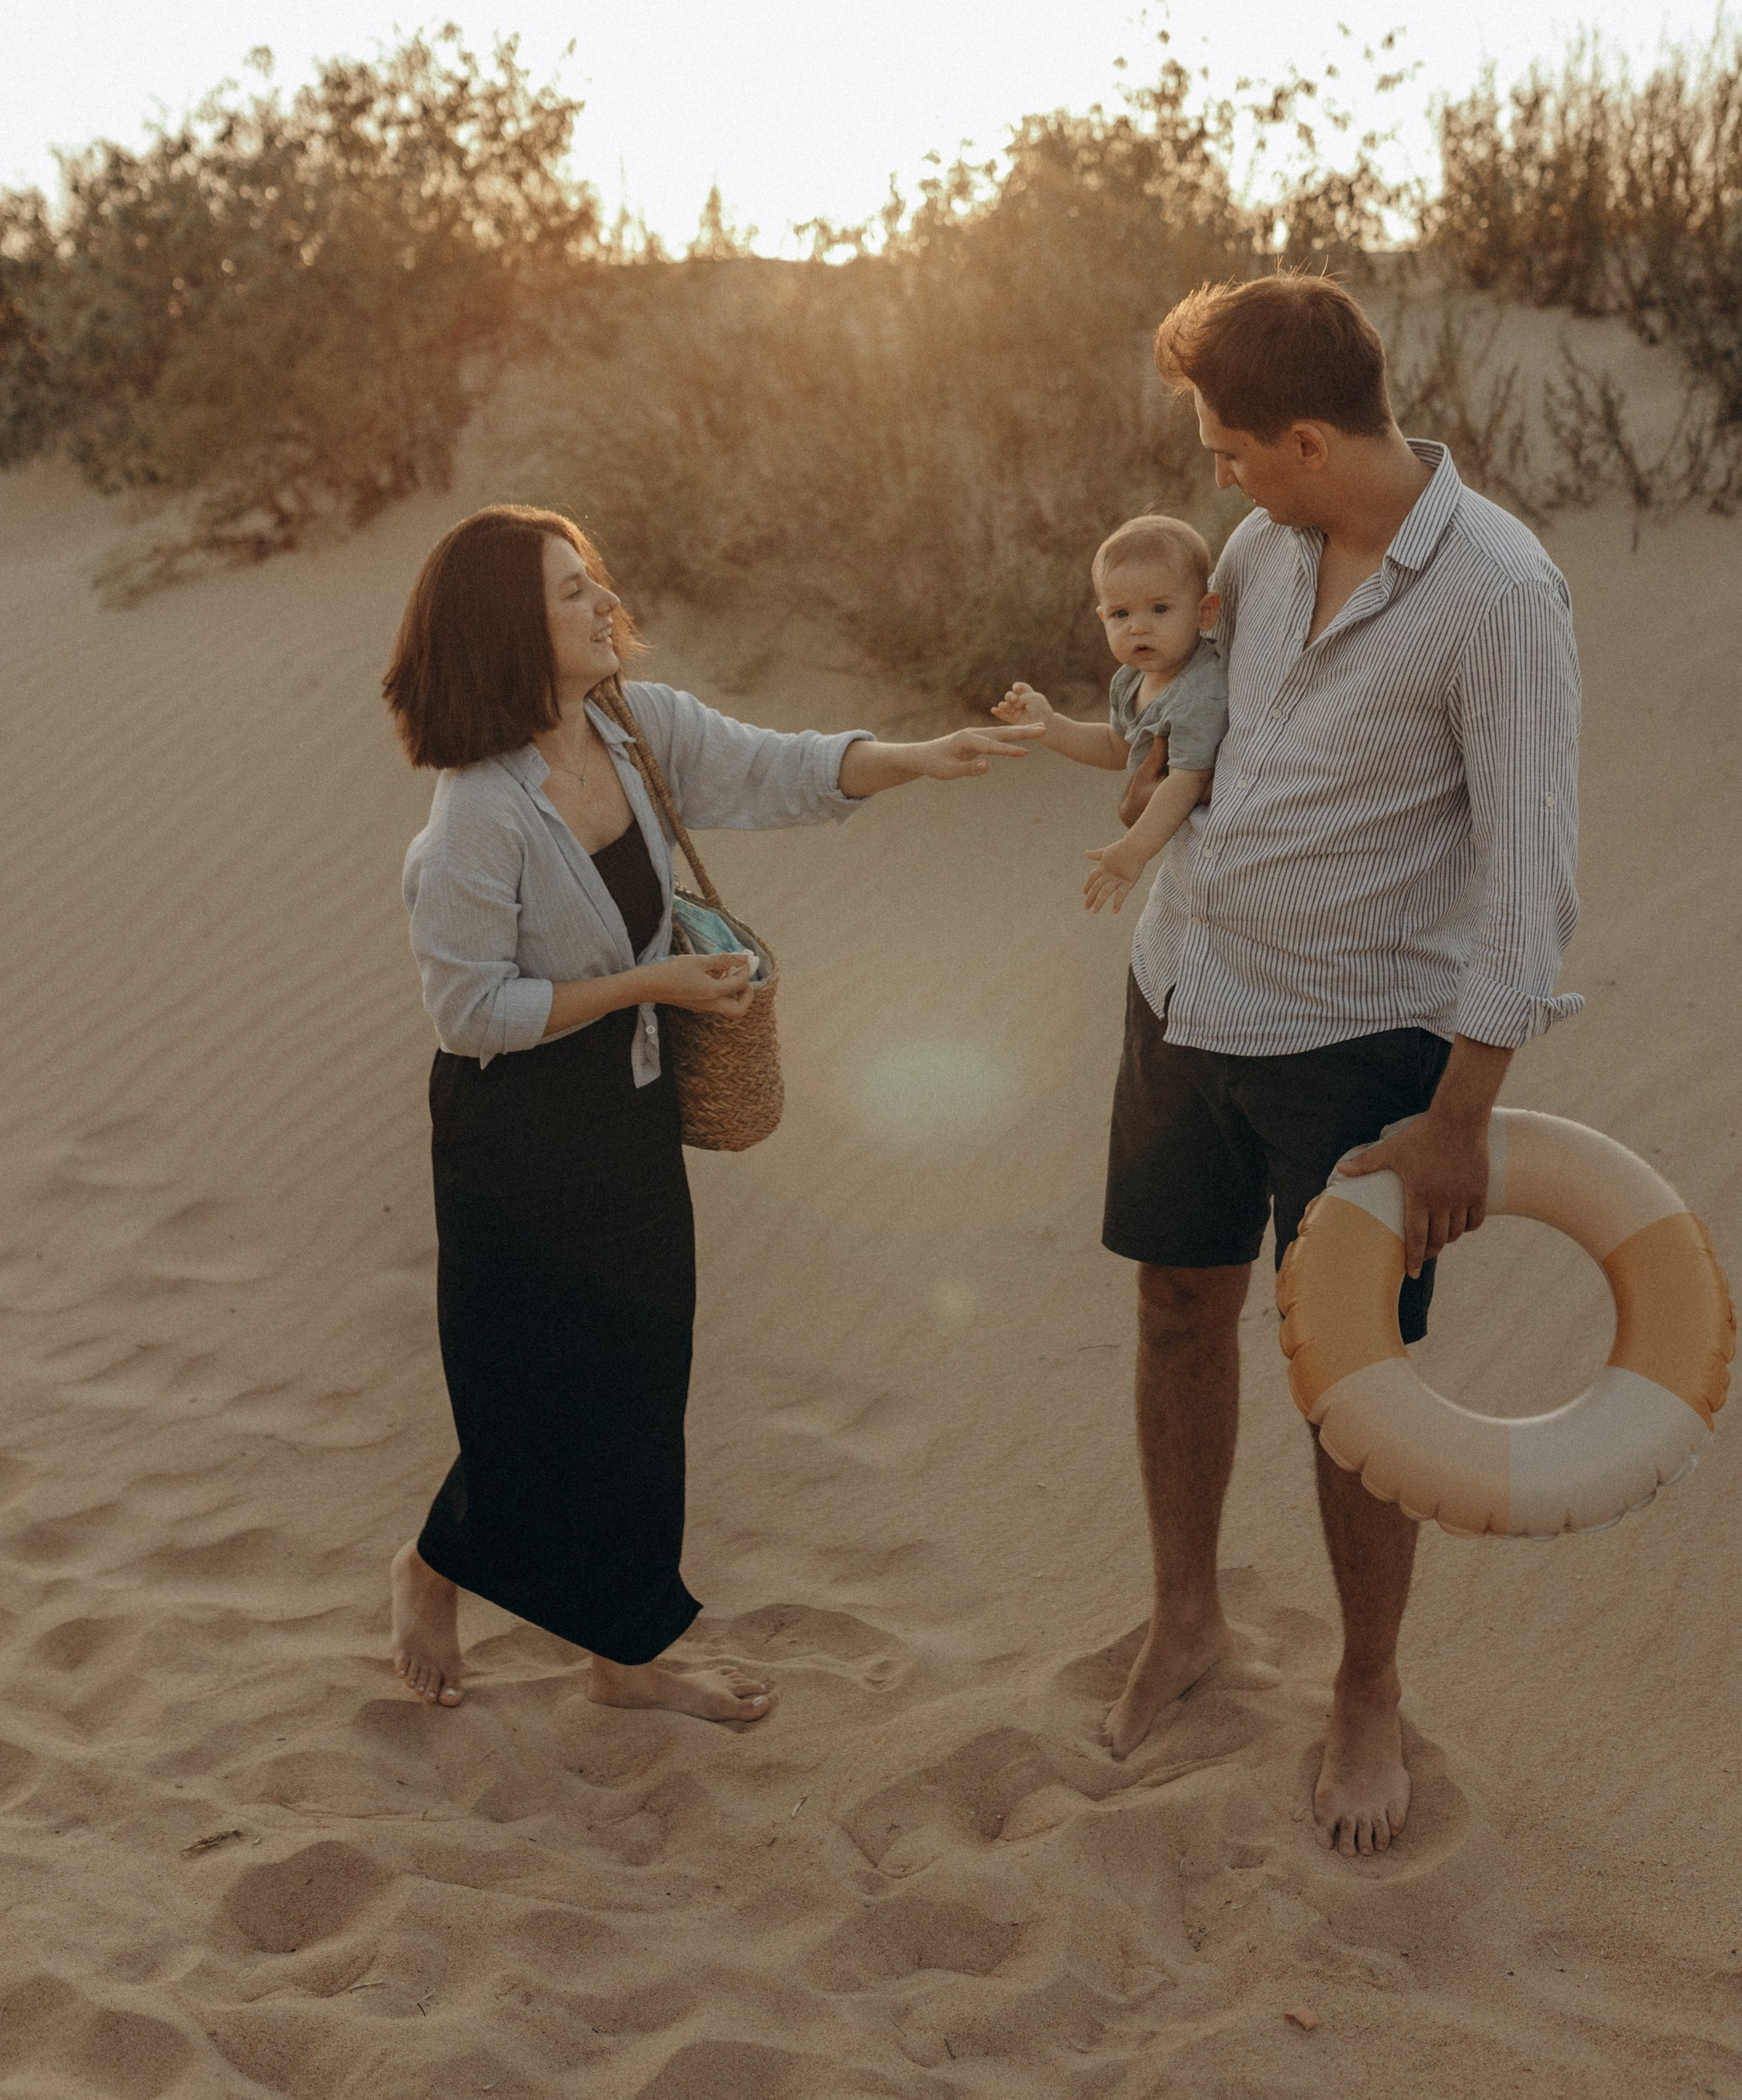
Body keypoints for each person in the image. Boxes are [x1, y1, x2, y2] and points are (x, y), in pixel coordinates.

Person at [381, 502, 1036, 1723]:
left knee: (637, 1378)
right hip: (511, 1132)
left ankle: (626, 1657)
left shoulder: (632, 724)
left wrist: (911, 758)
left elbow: (771, 765)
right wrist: (651, 984)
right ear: (509, 634)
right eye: (569, 594)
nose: (600, 604)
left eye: (591, 581)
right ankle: (433, 1569)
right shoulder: (480, 810)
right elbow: (469, 1012)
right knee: (531, 1396)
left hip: (624, 1105)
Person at [1095, 275, 1580, 1855]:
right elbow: (1211, 732)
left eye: (1231, 446)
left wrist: (1459, 1118)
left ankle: (1366, 1690)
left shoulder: (1501, 597)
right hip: (1180, 993)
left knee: (1349, 1386)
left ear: (1307, 436)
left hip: (1352, 1046)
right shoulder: (1260, 543)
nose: (1215, 472)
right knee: (1176, 1306)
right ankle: (1187, 1623)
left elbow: (1526, 877)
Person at [991, 514, 1226, 914]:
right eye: (1121, 615)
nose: (1138, 627)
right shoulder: (1130, 680)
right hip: (1175, 838)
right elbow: (1116, 748)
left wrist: (1134, 852)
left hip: (1220, 844)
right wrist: (1049, 725)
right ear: (1103, 618)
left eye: (1159, 608)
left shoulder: (1199, 690)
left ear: (1204, 612)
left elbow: (1187, 781)